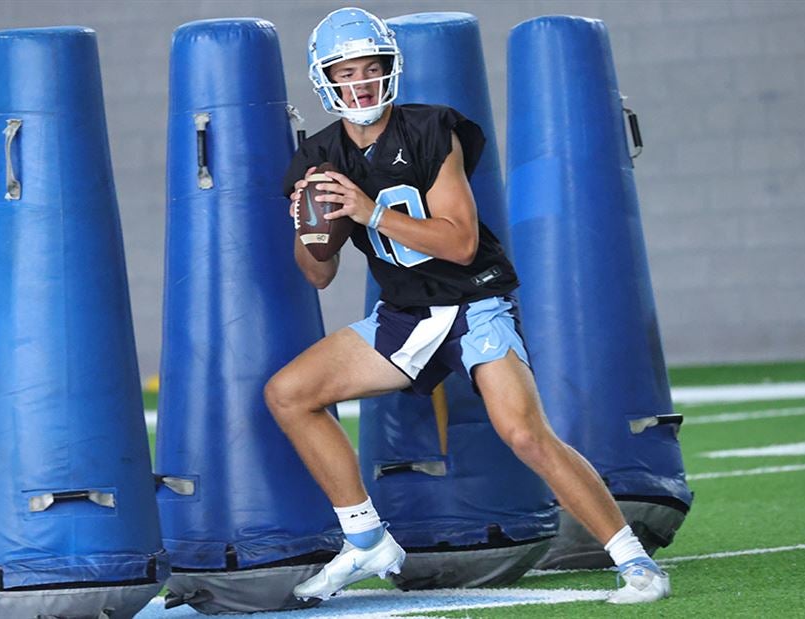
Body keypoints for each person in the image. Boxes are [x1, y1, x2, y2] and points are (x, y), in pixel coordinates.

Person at [265, 6, 670, 605]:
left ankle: (636, 564)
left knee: (526, 434)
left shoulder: (432, 129)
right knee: (289, 393)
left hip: (473, 303)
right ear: (325, 79)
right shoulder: (320, 158)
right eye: (345, 72)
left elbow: (460, 242)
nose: (360, 84)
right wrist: (309, 227)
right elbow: (318, 276)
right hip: (404, 316)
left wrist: (369, 211)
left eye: (370, 70)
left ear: (390, 72)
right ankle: (366, 537)